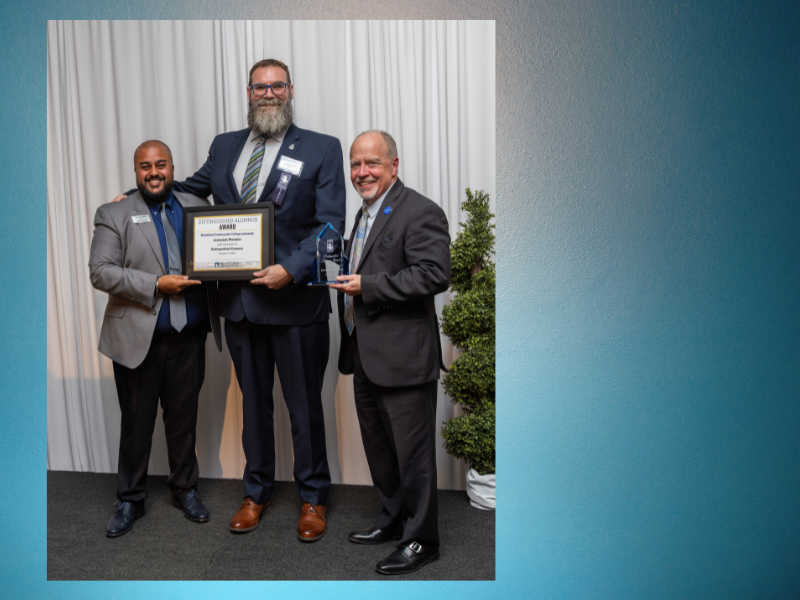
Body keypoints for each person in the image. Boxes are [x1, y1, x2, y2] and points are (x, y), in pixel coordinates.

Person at [114, 59, 346, 541]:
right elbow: (189, 189)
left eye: (276, 85)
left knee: (304, 407)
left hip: (295, 303)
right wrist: (137, 193)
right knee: (254, 406)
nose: (268, 94)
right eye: (259, 87)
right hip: (239, 305)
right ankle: (256, 492)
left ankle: (312, 498)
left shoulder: (323, 148)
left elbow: (331, 225)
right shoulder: (224, 147)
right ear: (248, 92)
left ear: (290, 90)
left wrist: (293, 268)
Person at [330, 131, 451, 575]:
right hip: (364, 353)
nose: (362, 172)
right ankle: (394, 519)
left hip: (403, 358)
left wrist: (369, 287)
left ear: (393, 165)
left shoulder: (420, 211)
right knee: (380, 451)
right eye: (356, 164)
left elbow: (435, 274)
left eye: (372, 163)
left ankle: (422, 541)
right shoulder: (362, 214)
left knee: (413, 458)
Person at [90, 140, 222, 537]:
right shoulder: (114, 213)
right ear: (135, 172)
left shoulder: (197, 205)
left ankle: (185, 489)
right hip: (136, 341)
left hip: (189, 339)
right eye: (145, 166)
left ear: (172, 167)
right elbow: (101, 271)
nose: (153, 172)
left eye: (160, 164)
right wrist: (157, 285)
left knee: (183, 422)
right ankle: (130, 498)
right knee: (136, 424)